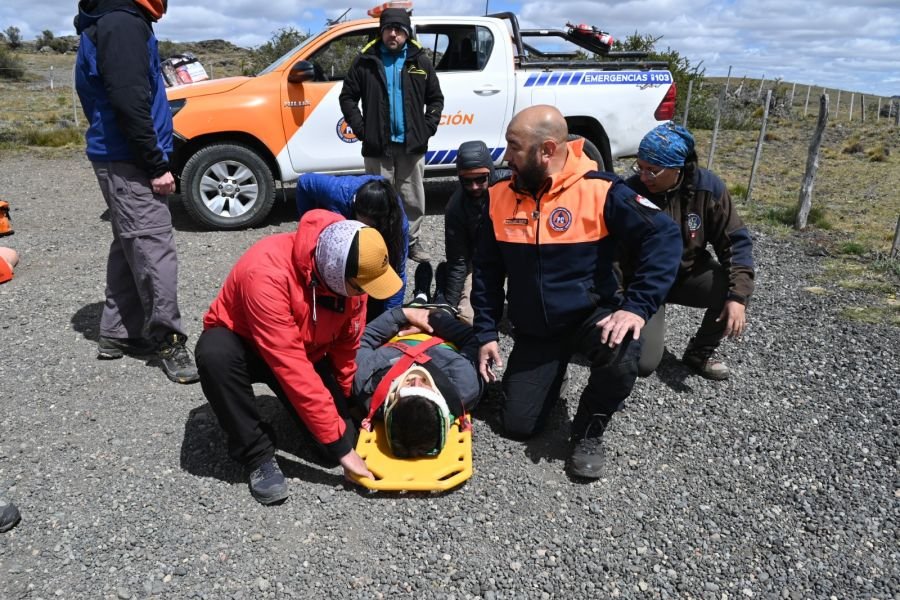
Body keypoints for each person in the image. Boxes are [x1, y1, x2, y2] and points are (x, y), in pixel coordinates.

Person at [471, 105, 682, 480]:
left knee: (624, 351)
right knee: (517, 426)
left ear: (547, 150)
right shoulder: (498, 197)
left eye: (514, 147)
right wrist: (486, 332)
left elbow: (663, 237)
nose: (505, 156)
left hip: (589, 318)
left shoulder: (601, 191)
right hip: (536, 331)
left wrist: (636, 306)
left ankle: (588, 431)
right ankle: (552, 379)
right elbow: (486, 272)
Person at [195, 209, 403, 505]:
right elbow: (291, 368)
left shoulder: (355, 275)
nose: (365, 294)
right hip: (246, 344)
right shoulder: (265, 273)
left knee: (336, 445)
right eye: (361, 288)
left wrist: (351, 402)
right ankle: (256, 453)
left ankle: (321, 426)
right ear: (333, 271)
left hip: (304, 349)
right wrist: (343, 451)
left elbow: (346, 349)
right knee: (215, 354)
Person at [74, 0, 197, 383]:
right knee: (153, 244)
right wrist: (155, 163)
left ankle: (117, 332)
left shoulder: (116, 20)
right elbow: (128, 99)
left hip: (121, 154)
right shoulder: (122, 23)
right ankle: (168, 339)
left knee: (129, 242)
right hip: (128, 159)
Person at [624, 122, 755, 380]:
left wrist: (737, 298)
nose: (643, 176)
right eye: (640, 167)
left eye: (653, 170)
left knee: (736, 286)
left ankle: (699, 352)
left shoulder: (708, 189)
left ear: (678, 169)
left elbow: (736, 243)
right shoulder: (630, 192)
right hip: (645, 283)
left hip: (687, 274)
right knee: (644, 364)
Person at [339, 7, 444, 263]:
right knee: (377, 197)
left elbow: (435, 99)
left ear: (406, 33)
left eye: (398, 30)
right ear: (381, 31)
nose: (393, 34)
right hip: (378, 145)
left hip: (411, 145)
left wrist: (427, 127)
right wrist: (363, 129)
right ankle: (379, 244)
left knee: (412, 197)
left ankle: (411, 242)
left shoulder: (420, 61)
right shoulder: (366, 60)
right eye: (388, 29)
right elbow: (348, 97)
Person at [352, 263, 483, 458]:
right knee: (446, 309)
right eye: (423, 386)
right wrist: (431, 320)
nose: (415, 378)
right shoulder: (465, 385)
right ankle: (440, 297)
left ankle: (420, 295)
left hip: (400, 330)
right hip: (441, 331)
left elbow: (363, 339)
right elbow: (472, 340)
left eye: (406, 388)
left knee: (414, 305)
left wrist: (404, 315)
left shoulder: (367, 383)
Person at [295, 173, 409, 319]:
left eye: (371, 225)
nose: (365, 227)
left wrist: (390, 318)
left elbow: (397, 274)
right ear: (354, 209)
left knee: (378, 299)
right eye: (361, 221)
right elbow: (304, 183)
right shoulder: (339, 192)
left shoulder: (398, 225)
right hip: (340, 230)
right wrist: (312, 227)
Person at [443, 140, 508, 324]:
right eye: (467, 180)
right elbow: (458, 261)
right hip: (481, 262)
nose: (474, 187)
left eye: (480, 179)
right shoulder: (455, 208)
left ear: (490, 172)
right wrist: (449, 305)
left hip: (516, 256)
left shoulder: (511, 186)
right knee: (468, 319)